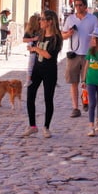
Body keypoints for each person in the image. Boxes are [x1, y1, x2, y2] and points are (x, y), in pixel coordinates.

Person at [23, 9, 62, 138]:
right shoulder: (41, 34)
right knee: (30, 96)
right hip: (37, 69)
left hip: (49, 71)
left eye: (43, 19)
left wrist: (35, 48)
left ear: (50, 22)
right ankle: (32, 126)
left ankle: (46, 127)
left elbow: (48, 55)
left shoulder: (56, 38)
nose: (40, 21)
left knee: (48, 99)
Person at [60, 0, 98, 118]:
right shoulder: (70, 19)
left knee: (87, 82)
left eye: (80, 5)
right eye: (76, 5)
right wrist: (69, 34)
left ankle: (86, 99)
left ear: (85, 6)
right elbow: (62, 35)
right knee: (73, 82)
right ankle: (75, 108)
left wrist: (95, 45)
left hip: (88, 55)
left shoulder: (93, 19)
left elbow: (97, 36)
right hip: (73, 54)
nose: (77, 7)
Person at [21, 12, 43, 85]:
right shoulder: (29, 30)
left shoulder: (41, 29)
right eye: (38, 20)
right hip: (33, 50)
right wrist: (33, 39)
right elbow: (24, 40)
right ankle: (28, 79)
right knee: (31, 64)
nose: (40, 21)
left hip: (41, 49)